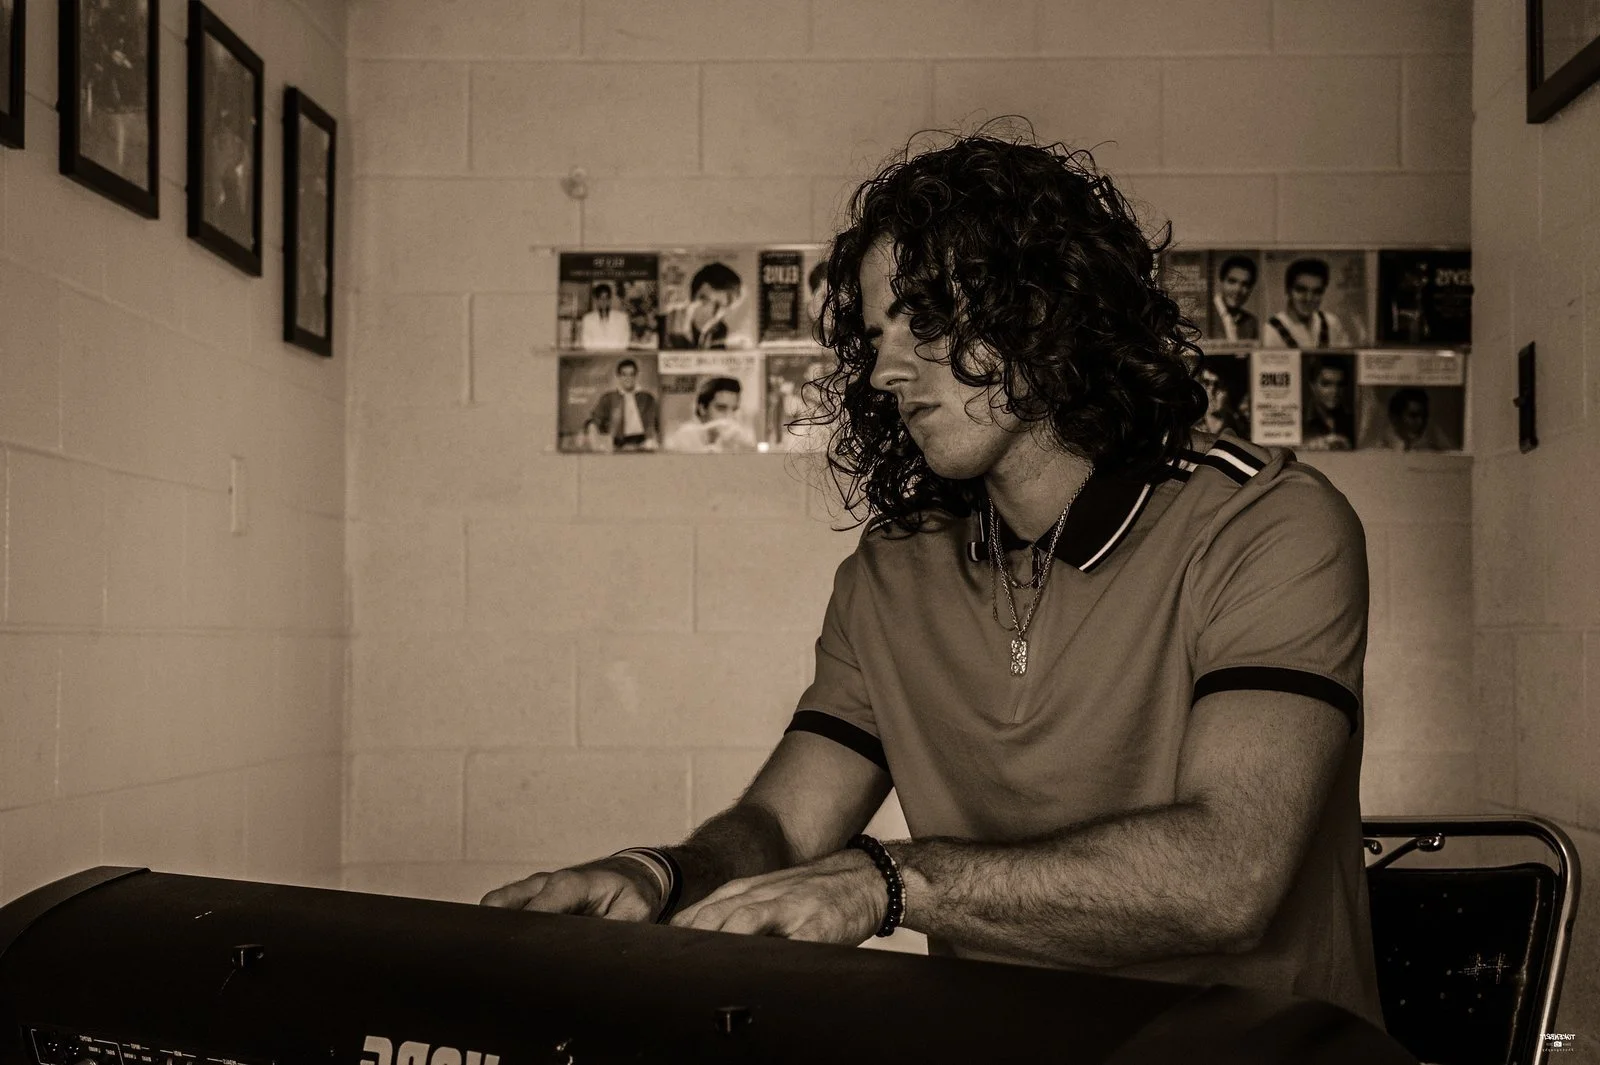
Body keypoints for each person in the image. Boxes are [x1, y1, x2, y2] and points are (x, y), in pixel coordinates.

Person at [485, 132, 1382, 1027]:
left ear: (1046, 306)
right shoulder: (891, 569)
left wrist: (888, 882)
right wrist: (660, 874)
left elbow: (1228, 877)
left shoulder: (1268, 524)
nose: (886, 371)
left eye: (926, 322)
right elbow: (788, 825)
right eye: (877, 335)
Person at [1265, 258, 1354, 349]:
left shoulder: (1332, 323)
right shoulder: (1270, 331)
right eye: (1301, 290)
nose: (1309, 298)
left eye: (1317, 292)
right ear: (1288, 290)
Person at [664, 376, 757, 453]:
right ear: (702, 409)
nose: (729, 417)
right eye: (721, 408)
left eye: (734, 409)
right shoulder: (685, 437)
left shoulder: (738, 439)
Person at [662, 262, 744, 349]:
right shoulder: (663, 327)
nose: (715, 313)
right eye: (706, 301)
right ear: (692, 298)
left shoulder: (720, 332)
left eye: (723, 306)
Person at [583, 357, 657, 451]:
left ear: (636, 376)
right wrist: (593, 430)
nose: (628, 378)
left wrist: (652, 440)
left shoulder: (647, 398)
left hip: (644, 443)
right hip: (617, 445)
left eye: (632, 374)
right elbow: (595, 419)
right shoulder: (608, 398)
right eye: (624, 374)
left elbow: (656, 422)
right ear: (618, 376)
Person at [1302, 355, 1355, 451]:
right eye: (1326, 384)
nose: (1334, 391)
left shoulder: (1354, 422)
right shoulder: (1299, 421)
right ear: (1312, 386)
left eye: (1340, 384)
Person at [1372, 388, 1451, 452]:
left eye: (1424, 416)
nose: (1421, 422)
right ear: (1395, 418)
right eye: (1413, 415)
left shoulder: (1434, 444)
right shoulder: (1377, 449)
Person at [1195, 359, 1250, 438]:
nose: (1211, 391)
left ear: (1229, 390)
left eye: (1218, 384)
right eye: (1206, 382)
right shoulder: (1193, 429)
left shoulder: (1243, 429)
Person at [1210, 254, 1259, 342]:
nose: (1238, 290)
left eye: (1245, 284)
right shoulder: (1204, 315)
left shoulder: (1251, 323)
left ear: (1250, 289)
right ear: (1220, 282)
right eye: (1232, 281)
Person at [579, 282, 632, 350]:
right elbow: (586, 343)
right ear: (596, 301)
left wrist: (611, 354)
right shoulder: (587, 319)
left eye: (606, 298)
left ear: (610, 300)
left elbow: (625, 343)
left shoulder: (622, 318)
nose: (604, 301)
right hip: (595, 355)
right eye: (600, 298)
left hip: (617, 355)